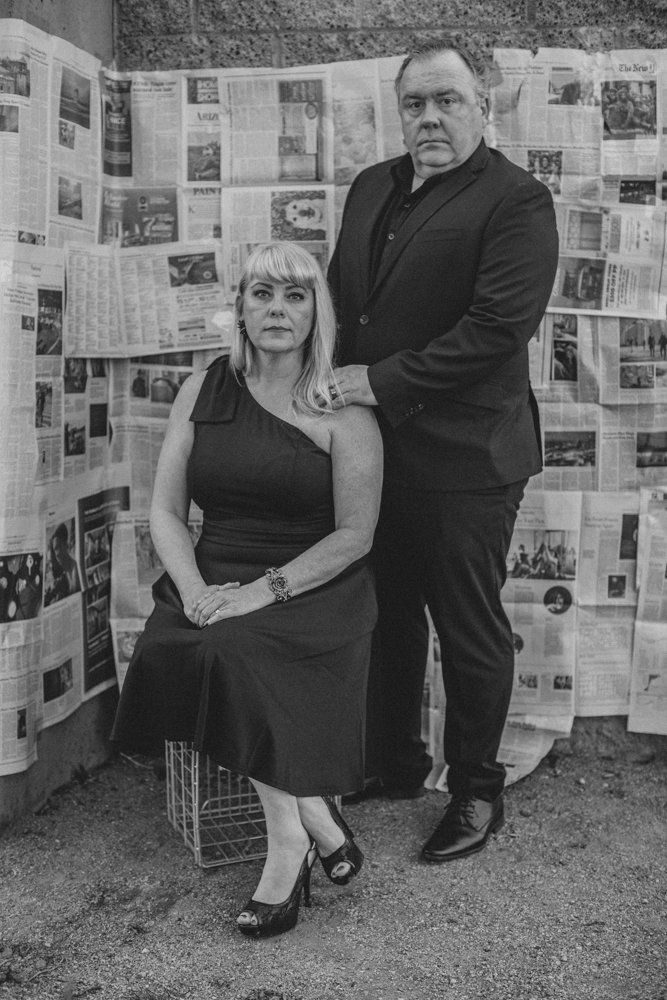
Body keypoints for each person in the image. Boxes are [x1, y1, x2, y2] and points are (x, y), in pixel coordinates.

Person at [327, 44, 559, 863]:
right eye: (415, 101)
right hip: (372, 451)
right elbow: (342, 304)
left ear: (481, 106)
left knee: (467, 627)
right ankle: (394, 762)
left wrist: (371, 381)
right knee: (385, 613)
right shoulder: (368, 188)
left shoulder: (517, 200)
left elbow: (494, 332)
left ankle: (475, 792)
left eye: (447, 101)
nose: (429, 116)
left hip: (468, 456)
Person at [111, 242, 383, 937]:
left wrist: (261, 592)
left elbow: (355, 536)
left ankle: (289, 844)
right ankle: (316, 815)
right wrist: (198, 587)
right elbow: (167, 512)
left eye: (294, 296)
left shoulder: (342, 409)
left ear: (315, 311)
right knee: (194, 641)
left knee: (231, 649)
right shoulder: (205, 387)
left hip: (314, 585)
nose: (276, 310)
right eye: (262, 293)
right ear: (240, 306)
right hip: (213, 577)